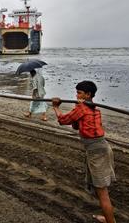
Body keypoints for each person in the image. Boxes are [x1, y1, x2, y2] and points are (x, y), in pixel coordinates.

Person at [51, 81, 116, 223]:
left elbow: (63, 120)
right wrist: (77, 105)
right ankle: (107, 217)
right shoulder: (92, 108)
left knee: (103, 193)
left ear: (88, 94)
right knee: (101, 190)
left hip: (97, 152)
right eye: (77, 92)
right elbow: (75, 126)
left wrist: (55, 107)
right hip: (102, 149)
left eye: (80, 93)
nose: (77, 95)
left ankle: (110, 221)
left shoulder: (84, 108)